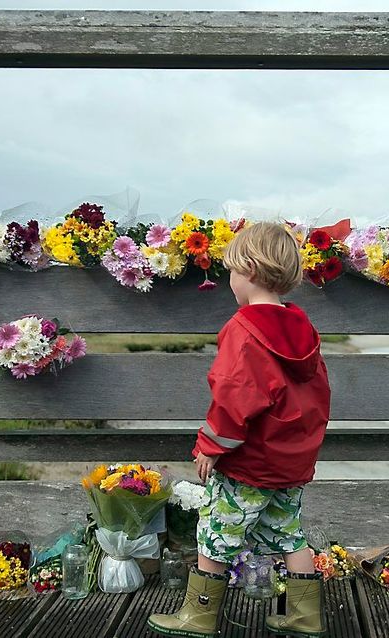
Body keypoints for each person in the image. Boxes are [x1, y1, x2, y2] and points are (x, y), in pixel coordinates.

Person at [149, 222, 331, 637]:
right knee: (289, 536)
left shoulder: (245, 329)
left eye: (231, 271)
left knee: (215, 534)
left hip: (249, 464)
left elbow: (235, 396)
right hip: (289, 463)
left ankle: (196, 617)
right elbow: (315, 396)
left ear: (248, 268)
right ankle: (304, 618)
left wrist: (210, 447)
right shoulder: (302, 331)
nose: (230, 280)